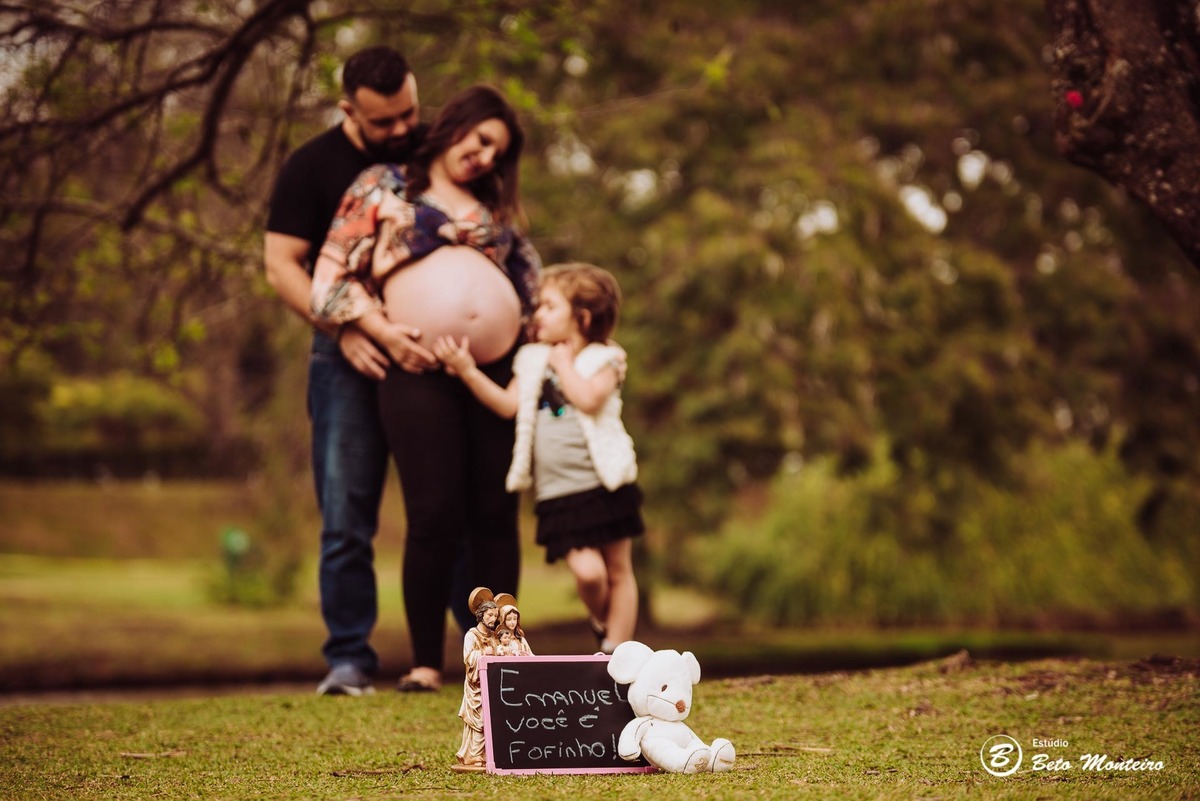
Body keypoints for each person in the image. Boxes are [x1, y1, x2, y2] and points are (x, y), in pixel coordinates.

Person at [265, 46, 484, 697]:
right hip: (346, 356)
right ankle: (350, 659)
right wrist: (346, 327)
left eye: (408, 114)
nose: (400, 130)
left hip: (434, 350)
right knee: (346, 510)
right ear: (346, 109)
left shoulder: (434, 149)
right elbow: (283, 265)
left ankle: (482, 649)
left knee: (449, 505)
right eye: (383, 121)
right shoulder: (310, 166)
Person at [311, 85, 540, 692]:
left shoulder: (496, 212)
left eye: (498, 152)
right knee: (433, 514)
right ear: (457, 124)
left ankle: (501, 659)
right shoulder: (386, 186)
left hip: (494, 372)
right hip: (414, 368)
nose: (487, 157)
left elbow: (534, 291)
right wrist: (383, 331)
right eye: (482, 139)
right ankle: (424, 664)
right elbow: (328, 279)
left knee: (495, 514)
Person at [433, 263, 643, 654]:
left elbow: (589, 399)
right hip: (559, 492)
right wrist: (467, 371)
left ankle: (618, 650)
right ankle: (603, 621)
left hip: (606, 483)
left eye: (548, 306)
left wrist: (563, 366)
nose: (538, 315)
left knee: (618, 570)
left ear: (581, 317)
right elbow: (508, 404)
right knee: (589, 573)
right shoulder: (531, 359)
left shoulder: (607, 358)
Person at [454, 587, 511, 771]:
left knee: (491, 720)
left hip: (491, 685)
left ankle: (489, 755)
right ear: (481, 615)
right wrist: (482, 654)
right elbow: (468, 658)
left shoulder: (495, 637)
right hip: (476, 685)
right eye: (490, 615)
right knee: (478, 723)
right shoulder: (472, 635)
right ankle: (474, 756)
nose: (493, 619)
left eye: (495, 616)